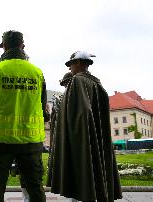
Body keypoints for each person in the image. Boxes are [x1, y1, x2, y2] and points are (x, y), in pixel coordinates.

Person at [0, 30, 49, 202]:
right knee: (35, 187)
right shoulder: (37, 73)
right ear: (22, 46)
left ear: (3, 47)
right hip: (30, 140)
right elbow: (44, 108)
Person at [51, 51, 122, 202]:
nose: (70, 69)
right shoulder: (97, 83)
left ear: (78, 63)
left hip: (81, 137)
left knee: (82, 171)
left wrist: (75, 134)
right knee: (95, 170)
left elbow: (81, 112)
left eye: (71, 65)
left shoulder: (78, 80)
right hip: (95, 136)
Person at [46, 72, 72, 187]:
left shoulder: (74, 94)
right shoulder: (63, 96)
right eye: (65, 84)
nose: (66, 86)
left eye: (67, 83)